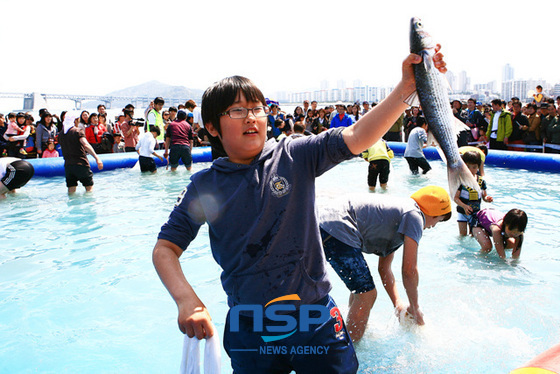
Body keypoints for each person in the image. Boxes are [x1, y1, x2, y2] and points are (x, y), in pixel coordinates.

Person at [152, 47, 447, 373]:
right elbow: (165, 248)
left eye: (257, 108)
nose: (251, 117)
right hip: (250, 325)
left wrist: (406, 89)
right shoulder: (205, 186)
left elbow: (357, 135)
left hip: (315, 314)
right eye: (236, 111)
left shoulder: (294, 156)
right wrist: (187, 300)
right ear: (211, 127)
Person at [319, 186, 452, 342]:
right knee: (366, 294)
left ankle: (350, 330)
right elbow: (409, 271)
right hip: (337, 226)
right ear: (430, 212)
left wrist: (398, 305)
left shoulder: (396, 217)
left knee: (360, 290)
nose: (433, 226)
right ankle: (347, 350)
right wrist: (415, 308)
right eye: (438, 220)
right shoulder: (414, 216)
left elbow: (384, 269)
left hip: (324, 222)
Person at [58, 112, 103, 194]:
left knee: (71, 190)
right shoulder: (77, 131)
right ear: (75, 121)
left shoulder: (61, 134)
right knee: (89, 189)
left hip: (68, 166)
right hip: (81, 164)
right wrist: (97, 158)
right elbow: (86, 145)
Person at [453, 151, 493, 236]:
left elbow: (484, 196)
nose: (471, 170)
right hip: (462, 212)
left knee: (473, 235)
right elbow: (455, 198)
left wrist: (487, 199)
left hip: (475, 213)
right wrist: (464, 206)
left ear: (478, 167)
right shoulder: (461, 181)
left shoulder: (481, 181)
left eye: (474, 167)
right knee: (462, 235)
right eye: (468, 167)